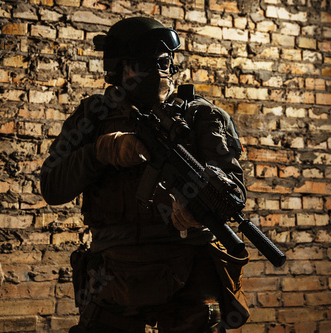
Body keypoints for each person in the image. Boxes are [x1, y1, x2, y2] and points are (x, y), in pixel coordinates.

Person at [40, 17, 250, 333]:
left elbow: (234, 193)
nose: (156, 74)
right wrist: (98, 152)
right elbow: (52, 187)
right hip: (116, 273)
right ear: (117, 70)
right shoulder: (93, 116)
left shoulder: (202, 116)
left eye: (163, 63)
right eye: (142, 65)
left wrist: (199, 205)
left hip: (189, 270)